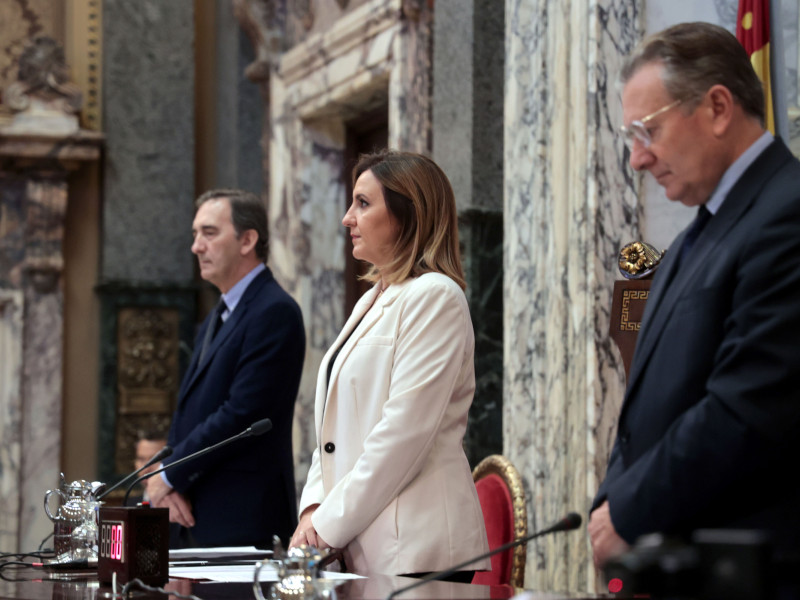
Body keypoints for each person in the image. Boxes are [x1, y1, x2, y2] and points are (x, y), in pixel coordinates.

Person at [589, 22, 800, 570]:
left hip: (751, 568)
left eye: (646, 131)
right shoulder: (688, 241)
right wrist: (610, 503)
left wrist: (629, 510)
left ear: (718, 107)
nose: (637, 158)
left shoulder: (787, 213)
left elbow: (747, 409)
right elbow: (644, 409)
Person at [290, 150, 490, 577]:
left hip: (417, 547)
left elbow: (404, 433)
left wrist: (325, 527)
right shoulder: (372, 298)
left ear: (408, 215)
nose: (347, 218)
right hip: (359, 540)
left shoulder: (435, 296)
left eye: (363, 203)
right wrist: (312, 509)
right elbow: (333, 432)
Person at [147, 188, 305, 548]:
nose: (196, 247)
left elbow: (243, 413)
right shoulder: (217, 315)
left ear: (247, 239)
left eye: (209, 233)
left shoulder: (274, 311)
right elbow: (189, 411)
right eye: (195, 235)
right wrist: (171, 483)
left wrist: (171, 475)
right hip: (193, 511)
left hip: (243, 518)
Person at [133, 428, 168, 503]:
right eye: (141, 459)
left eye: (155, 460)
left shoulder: (187, 503)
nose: (146, 468)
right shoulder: (129, 505)